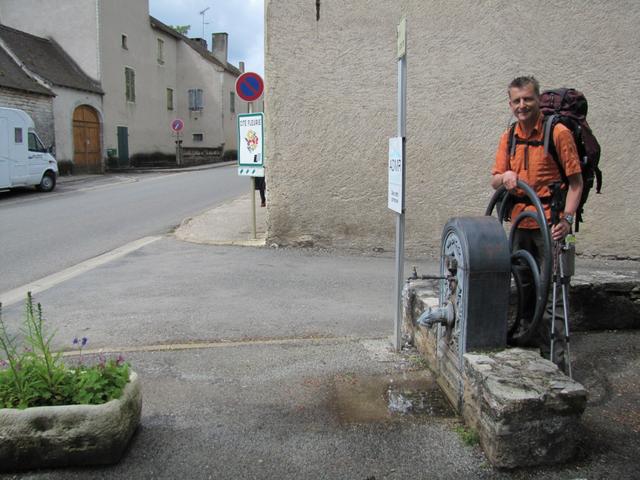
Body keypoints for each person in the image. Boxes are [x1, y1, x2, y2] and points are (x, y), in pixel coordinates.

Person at [491, 76, 583, 372]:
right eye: (516, 101)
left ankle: (554, 359)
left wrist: (567, 220)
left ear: (538, 99)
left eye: (527, 99)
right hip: (521, 224)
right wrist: (504, 178)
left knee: (553, 291)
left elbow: (576, 184)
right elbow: (495, 178)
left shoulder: (557, 133)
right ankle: (524, 344)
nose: (522, 106)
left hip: (550, 226)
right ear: (510, 104)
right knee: (523, 285)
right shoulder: (510, 136)